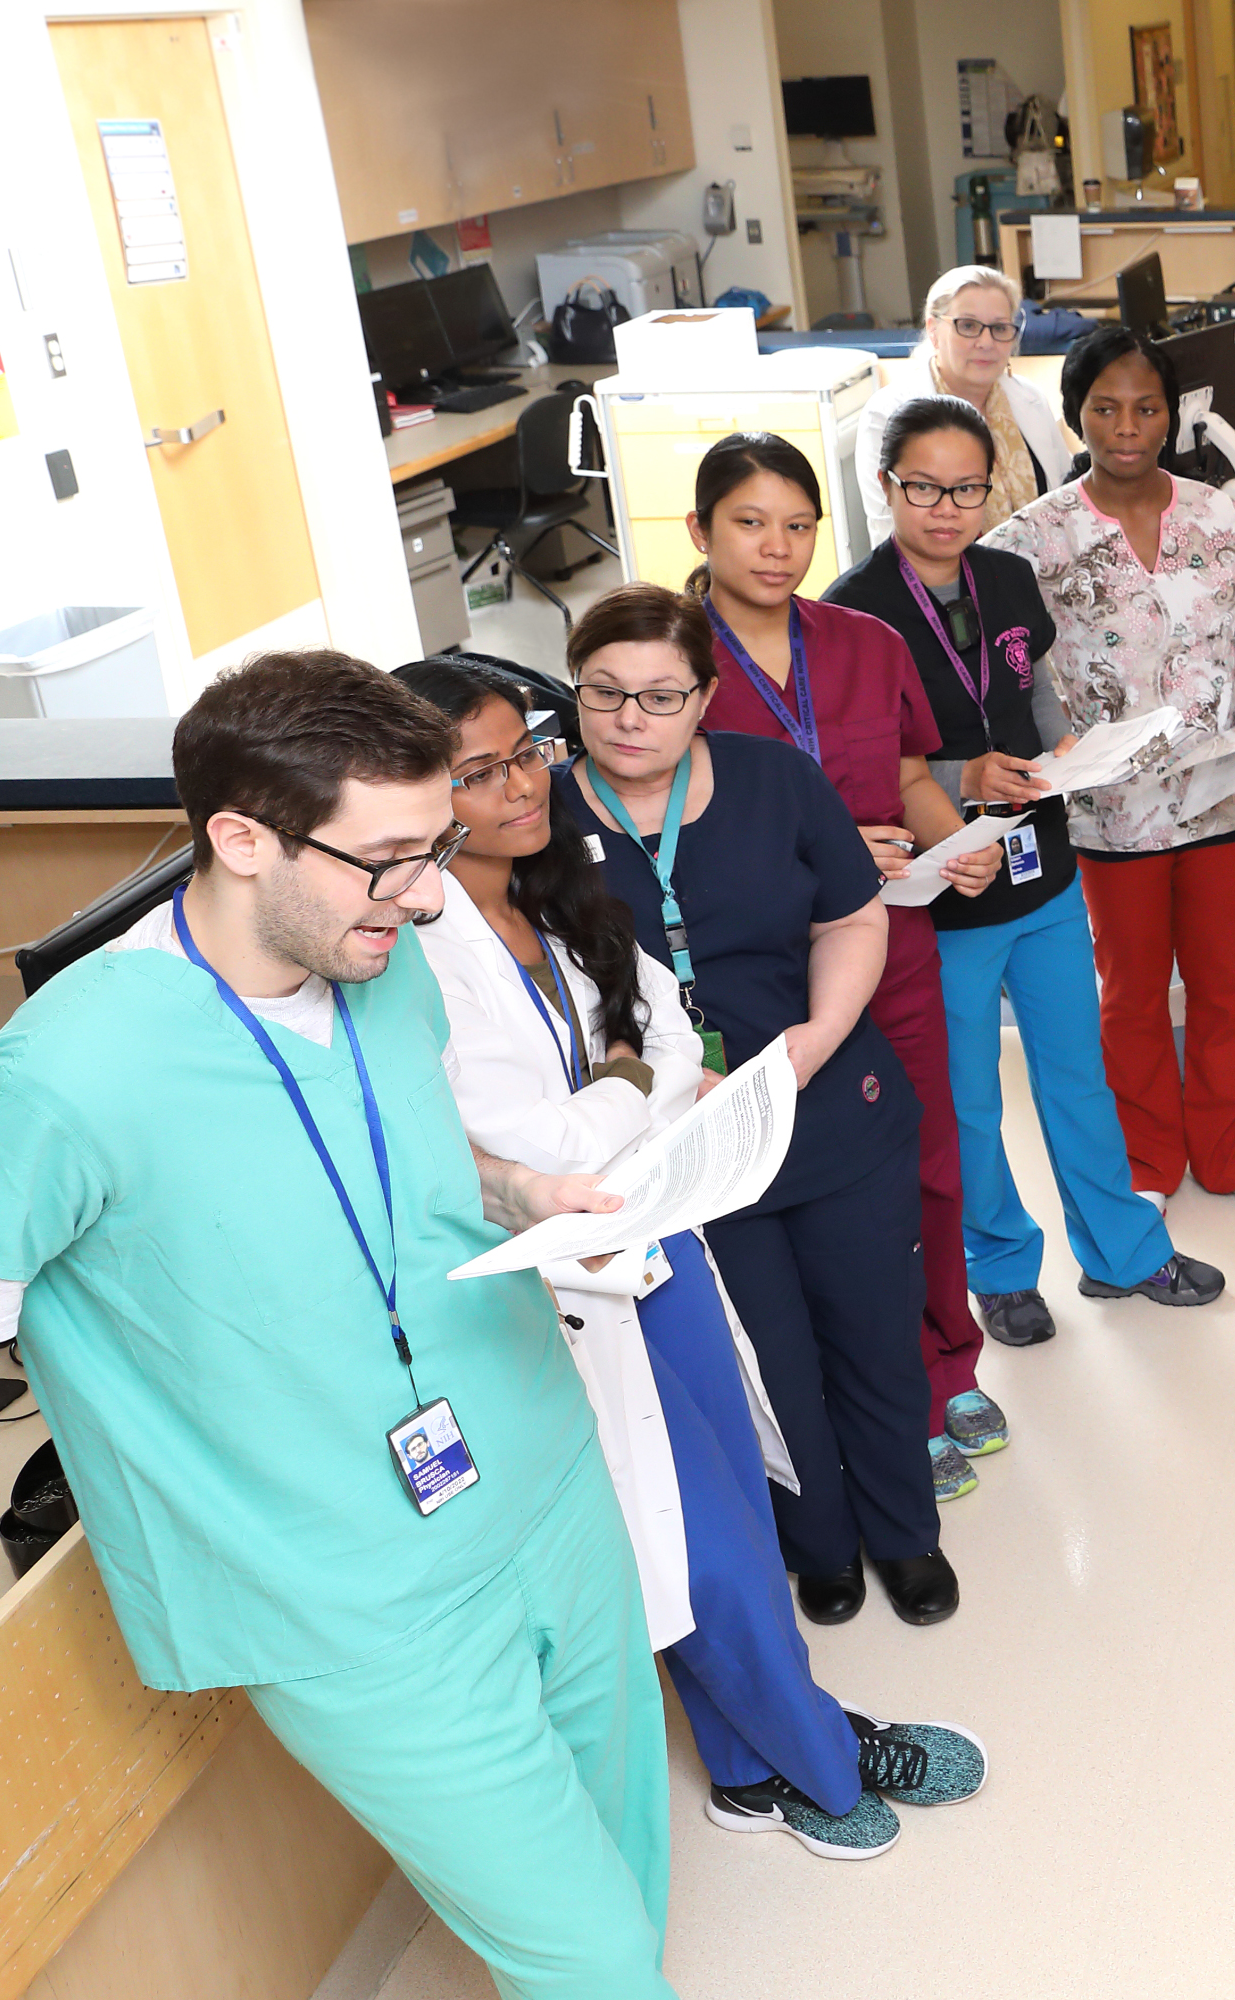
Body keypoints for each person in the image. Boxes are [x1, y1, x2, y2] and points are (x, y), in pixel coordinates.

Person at [0, 652, 676, 1997]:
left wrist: (523, 1187)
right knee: (587, 1956)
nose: (427, 897)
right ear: (240, 838)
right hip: (346, 1591)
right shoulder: (62, 1074)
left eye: (438, 848)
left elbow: (407, 1139)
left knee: (623, 1861)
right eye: (390, 860)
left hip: (542, 1472)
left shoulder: (376, 956)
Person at [402, 655, 988, 1859]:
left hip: (652, 1240)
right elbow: (556, 1136)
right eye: (483, 769)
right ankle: (809, 1759)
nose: (525, 780)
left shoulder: (542, 887)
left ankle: (750, 1757)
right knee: (697, 1537)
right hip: (578, 1277)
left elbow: (669, 1021)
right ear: (417, 795)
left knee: (712, 1510)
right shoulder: (428, 948)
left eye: (528, 750)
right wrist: (634, 1077)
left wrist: (635, 1070)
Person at [565, 583, 960, 1628]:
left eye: (660, 694)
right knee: (767, 1360)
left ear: (704, 696)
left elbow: (852, 916)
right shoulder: (546, 822)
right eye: (604, 692)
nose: (630, 719)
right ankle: (820, 1543)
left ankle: (905, 1534)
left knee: (872, 1334)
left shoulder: (774, 777)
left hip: (826, 1105)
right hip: (684, 1142)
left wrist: (817, 1038)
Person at [826, 392, 1228, 1348]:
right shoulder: (853, 612)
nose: (946, 507)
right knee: (964, 1098)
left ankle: (1124, 1251)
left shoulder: (1007, 579)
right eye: (923, 486)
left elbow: (1034, 696)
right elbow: (868, 756)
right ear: (887, 488)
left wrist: (1073, 753)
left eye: (967, 487)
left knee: (1075, 1074)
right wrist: (963, 780)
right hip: (942, 889)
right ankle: (1000, 1269)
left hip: (1043, 869)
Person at [683, 431, 1002, 1503]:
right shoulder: (671, 665)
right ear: (699, 530)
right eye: (750, 522)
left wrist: (951, 838)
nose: (778, 547)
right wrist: (813, 848)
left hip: (892, 944)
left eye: (799, 525)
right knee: (816, 1194)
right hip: (756, 974)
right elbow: (652, 816)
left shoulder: (864, 641)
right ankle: (864, 1399)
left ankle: (946, 1360)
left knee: (925, 1161)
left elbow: (907, 773)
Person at [986, 323, 1235, 1216]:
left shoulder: (1217, 512)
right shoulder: (1032, 538)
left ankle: (1230, 1149)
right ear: (1075, 416)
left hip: (1221, 788)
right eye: (1105, 408)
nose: (1127, 426)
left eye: (1147, 407)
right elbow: (1012, 666)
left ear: (1172, 415)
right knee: (1128, 992)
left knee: (1218, 977)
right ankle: (1149, 1159)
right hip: (1110, 806)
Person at [857, 263, 1070, 545]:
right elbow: (889, 533)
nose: (986, 342)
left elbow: (1065, 500)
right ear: (933, 330)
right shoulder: (886, 414)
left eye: (999, 328)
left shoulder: (1030, 399)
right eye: (968, 326)